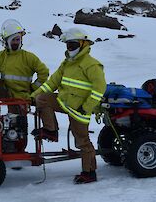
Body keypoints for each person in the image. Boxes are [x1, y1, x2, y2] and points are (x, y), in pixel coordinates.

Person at [31, 27, 106, 184]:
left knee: (82, 142)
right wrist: (33, 96)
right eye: (67, 45)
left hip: (80, 109)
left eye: (72, 45)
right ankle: (51, 130)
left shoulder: (91, 65)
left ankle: (89, 173)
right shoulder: (66, 63)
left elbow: (99, 89)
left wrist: (86, 107)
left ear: (83, 44)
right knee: (42, 99)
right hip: (64, 102)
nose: (69, 48)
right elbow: (52, 83)